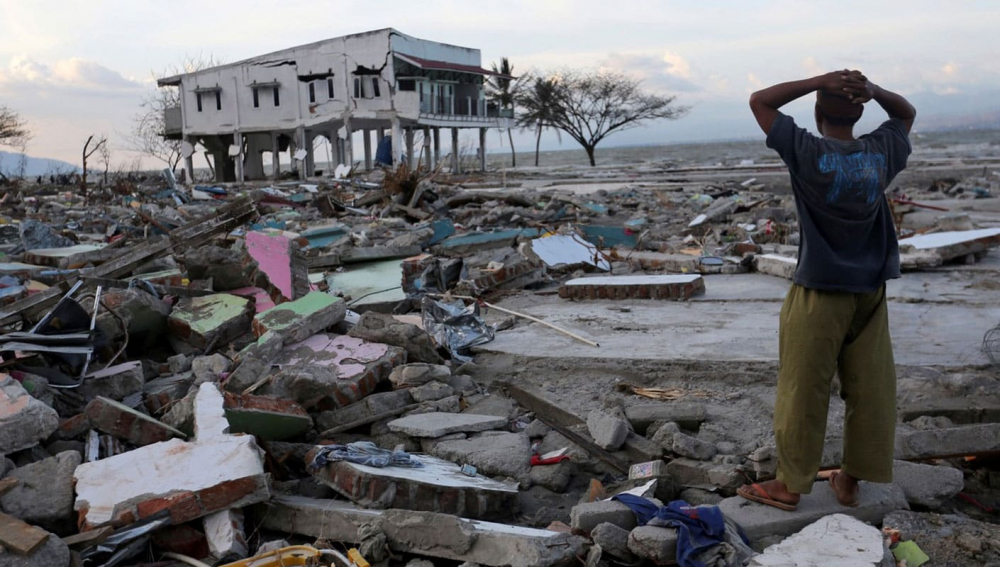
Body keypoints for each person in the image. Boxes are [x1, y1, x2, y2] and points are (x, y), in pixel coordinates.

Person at [738, 70, 916, 511]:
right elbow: (906, 112)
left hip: (820, 289)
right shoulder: (880, 151)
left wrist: (820, 79)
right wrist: (874, 93)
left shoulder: (808, 152)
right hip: (870, 291)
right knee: (872, 387)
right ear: (859, 112)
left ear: (817, 112)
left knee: (803, 386)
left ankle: (790, 487)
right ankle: (850, 481)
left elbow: (761, 101)